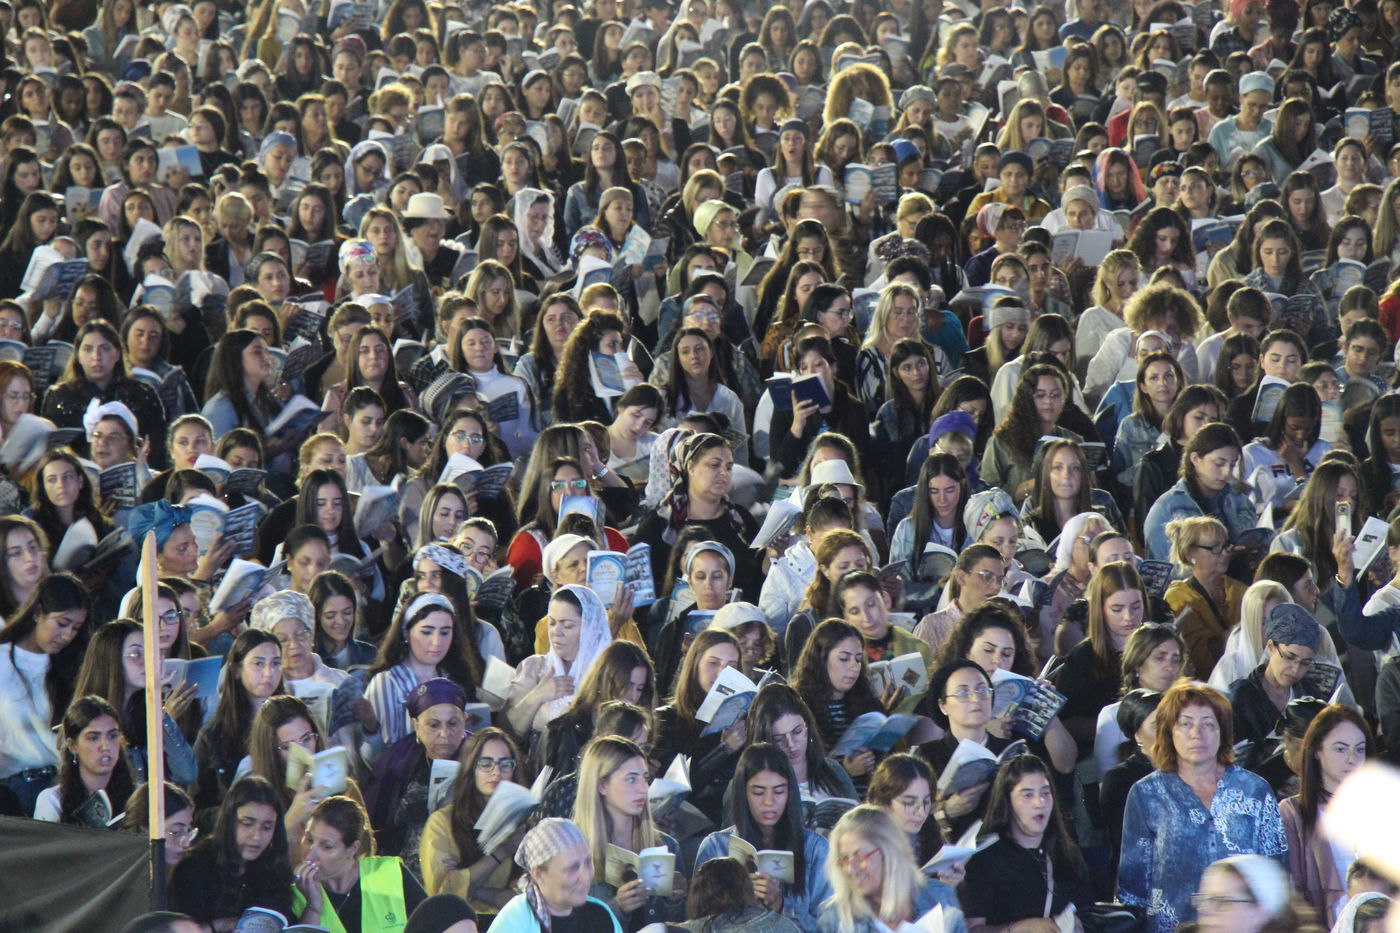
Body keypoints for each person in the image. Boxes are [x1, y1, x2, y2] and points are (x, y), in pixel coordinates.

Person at [1118, 681, 1287, 933]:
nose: (1197, 733)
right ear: (1169, 731)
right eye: (1185, 724)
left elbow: (1277, 870)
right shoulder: (1146, 794)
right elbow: (1132, 886)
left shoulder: (1254, 790)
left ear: (1223, 732)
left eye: (1208, 724)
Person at [695, 743, 833, 931]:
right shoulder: (715, 846)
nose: (769, 802)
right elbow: (697, 923)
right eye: (758, 792)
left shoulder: (815, 849)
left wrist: (780, 905)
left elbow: (829, 928)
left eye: (779, 791)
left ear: (790, 792)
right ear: (743, 793)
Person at [962, 754, 1093, 933]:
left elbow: (1087, 909)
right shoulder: (985, 859)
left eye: (1045, 793)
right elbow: (972, 929)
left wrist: (1078, 922)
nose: (1039, 803)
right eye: (1028, 795)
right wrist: (1018, 928)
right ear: (1007, 801)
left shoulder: (1066, 853)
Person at [0, 573, 93, 815]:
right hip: (12, 789)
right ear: (38, 613)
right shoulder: (3, 660)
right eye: (62, 623)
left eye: (76, 628)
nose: (68, 635)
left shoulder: (71, 665)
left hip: (61, 785)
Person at [572, 735, 686, 927]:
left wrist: (675, 901)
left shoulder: (666, 846)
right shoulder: (574, 851)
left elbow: (679, 923)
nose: (643, 788)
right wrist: (617, 908)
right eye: (631, 779)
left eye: (645, 778)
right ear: (601, 785)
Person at [1279, 705, 1373, 924]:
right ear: (1317, 751)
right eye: (1341, 749)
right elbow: (1292, 893)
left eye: (1359, 749)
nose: (1352, 758)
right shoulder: (1293, 812)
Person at [421, 728, 527, 917]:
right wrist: (500, 853)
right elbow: (442, 894)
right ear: (471, 768)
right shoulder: (442, 823)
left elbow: (526, 899)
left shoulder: (521, 824)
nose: (496, 772)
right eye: (486, 763)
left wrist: (467, 884)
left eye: (505, 764)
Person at [170, 775, 297, 928]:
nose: (256, 836)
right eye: (247, 823)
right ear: (229, 820)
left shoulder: (274, 867)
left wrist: (313, 905)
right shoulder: (195, 867)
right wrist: (223, 925)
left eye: (267, 827)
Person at [817, 804, 967, 933]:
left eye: (860, 858)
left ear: (890, 853)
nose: (851, 869)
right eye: (844, 860)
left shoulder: (939, 896)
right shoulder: (833, 916)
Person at [292, 795, 429, 933]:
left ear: (352, 849)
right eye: (309, 840)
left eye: (327, 846)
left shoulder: (390, 874)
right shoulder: (295, 895)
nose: (309, 855)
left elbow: (434, 926)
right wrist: (313, 906)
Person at [1228, 603, 1335, 752]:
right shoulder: (1241, 698)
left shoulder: (1311, 694)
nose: (1295, 669)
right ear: (1271, 647)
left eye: (1305, 663)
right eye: (1289, 657)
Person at [490, 817, 623, 933]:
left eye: (588, 862)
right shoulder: (515, 922)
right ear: (539, 875)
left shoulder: (600, 914)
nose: (585, 876)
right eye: (572, 868)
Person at [1164, 516, 1246, 678]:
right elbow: (1199, 655)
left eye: (1225, 546)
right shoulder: (1178, 597)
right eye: (1215, 548)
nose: (1224, 553)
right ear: (1189, 554)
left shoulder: (1239, 589)